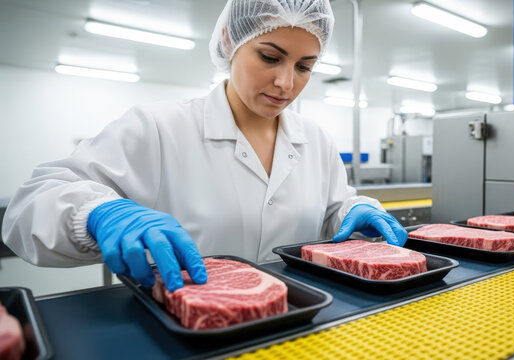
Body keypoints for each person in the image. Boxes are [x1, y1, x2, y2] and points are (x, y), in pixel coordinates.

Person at [1, 0, 408, 293]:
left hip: (300, 321)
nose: (287, 83)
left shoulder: (316, 140)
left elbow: (332, 209)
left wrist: (351, 211)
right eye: (270, 57)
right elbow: (26, 211)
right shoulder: (158, 126)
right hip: (186, 331)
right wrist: (97, 214)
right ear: (232, 40)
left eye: (304, 67)